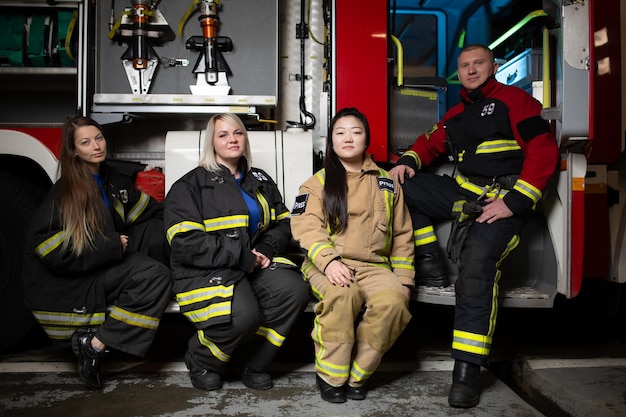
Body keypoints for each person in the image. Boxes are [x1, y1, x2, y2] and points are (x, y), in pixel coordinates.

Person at [389, 44, 560, 408]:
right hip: (466, 195)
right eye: (465, 65)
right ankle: (430, 262)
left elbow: (544, 151)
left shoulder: (517, 101)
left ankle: (466, 371)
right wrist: (407, 160)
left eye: (478, 63)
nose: (471, 70)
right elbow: (429, 143)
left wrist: (512, 202)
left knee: (477, 265)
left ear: (492, 66)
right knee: (398, 186)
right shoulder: (456, 114)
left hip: (505, 201)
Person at [22, 116, 173, 390]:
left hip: (104, 262)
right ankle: (94, 344)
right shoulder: (65, 194)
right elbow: (51, 249)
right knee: (155, 276)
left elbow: (148, 210)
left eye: (99, 138)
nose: (96, 146)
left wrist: (183, 220)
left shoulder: (110, 181)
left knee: (162, 234)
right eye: (86, 142)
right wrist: (112, 246)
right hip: (77, 279)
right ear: (74, 151)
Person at [164, 113, 310, 392]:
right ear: (212, 142)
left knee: (293, 291)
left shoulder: (259, 180)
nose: (232, 139)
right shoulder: (190, 186)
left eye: (238, 133)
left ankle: (252, 362)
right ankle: (202, 359)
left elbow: (283, 222)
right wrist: (242, 257)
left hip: (253, 264)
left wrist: (267, 248)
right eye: (223, 134)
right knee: (243, 316)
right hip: (209, 269)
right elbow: (185, 243)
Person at [290, 107, 415, 403]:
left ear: (366, 139)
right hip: (328, 264)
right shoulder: (315, 183)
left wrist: (405, 281)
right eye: (340, 132)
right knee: (343, 296)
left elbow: (402, 235)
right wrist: (329, 261)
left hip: (375, 267)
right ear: (331, 141)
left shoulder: (387, 183)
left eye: (356, 132)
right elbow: (304, 226)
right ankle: (331, 376)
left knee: (394, 302)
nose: (348, 138)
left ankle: (359, 374)